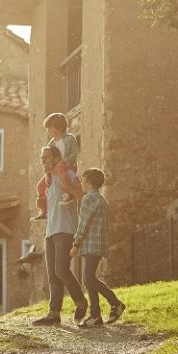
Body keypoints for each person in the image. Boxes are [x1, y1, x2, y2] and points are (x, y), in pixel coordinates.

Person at [33, 145, 88, 326]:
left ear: (56, 158)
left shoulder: (68, 174)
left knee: (61, 270)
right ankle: (53, 313)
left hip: (66, 229)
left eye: (46, 158)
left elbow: (81, 194)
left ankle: (81, 302)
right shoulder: (47, 179)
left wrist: (64, 184)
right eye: (42, 159)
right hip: (51, 230)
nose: (43, 162)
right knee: (53, 275)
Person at [70, 168, 126, 326]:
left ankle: (115, 304)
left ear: (88, 181)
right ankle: (95, 316)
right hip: (98, 244)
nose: (81, 182)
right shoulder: (102, 200)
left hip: (90, 244)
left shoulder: (89, 199)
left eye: (82, 180)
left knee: (88, 278)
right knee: (88, 279)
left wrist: (76, 244)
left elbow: (83, 224)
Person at [33, 113, 83, 220]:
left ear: (59, 127)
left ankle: (68, 195)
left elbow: (74, 153)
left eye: (50, 128)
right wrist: (48, 170)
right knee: (40, 186)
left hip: (69, 166)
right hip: (55, 169)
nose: (48, 131)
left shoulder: (70, 138)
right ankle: (44, 210)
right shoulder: (51, 143)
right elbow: (49, 158)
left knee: (60, 169)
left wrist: (63, 162)